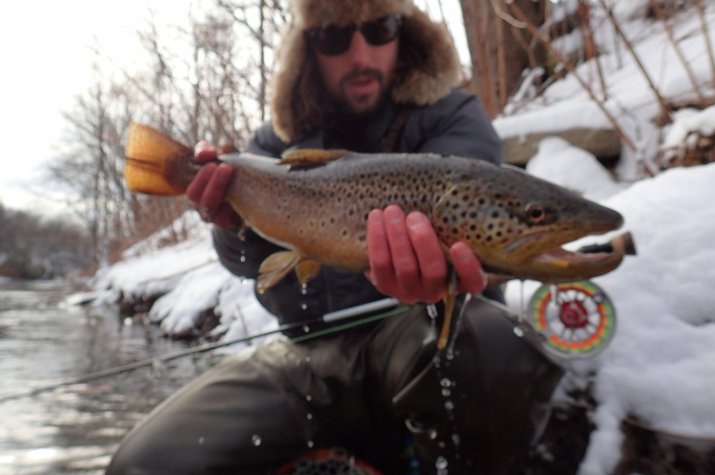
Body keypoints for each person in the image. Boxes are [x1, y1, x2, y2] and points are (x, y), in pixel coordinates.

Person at [107, 0, 564, 473]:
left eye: (379, 28)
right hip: (305, 357)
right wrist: (232, 221)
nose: (360, 54)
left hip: (423, 341)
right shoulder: (271, 145)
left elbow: (478, 203)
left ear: (404, 32)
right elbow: (245, 264)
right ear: (309, 47)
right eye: (335, 37)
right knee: (144, 463)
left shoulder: (452, 115)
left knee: (494, 342)